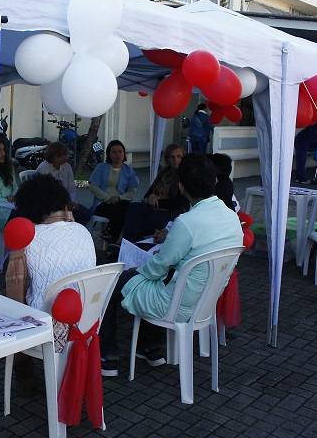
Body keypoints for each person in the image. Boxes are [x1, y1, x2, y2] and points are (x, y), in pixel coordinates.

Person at [99, 153, 243, 377]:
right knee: (155, 280)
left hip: (175, 304)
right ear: (215, 181)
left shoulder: (186, 223)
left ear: (181, 187)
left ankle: (108, 355)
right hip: (204, 301)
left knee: (108, 282)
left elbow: (158, 268)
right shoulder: (232, 217)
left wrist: (137, 270)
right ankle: (150, 347)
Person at [5, 175, 96, 391]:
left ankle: (24, 373)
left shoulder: (27, 239)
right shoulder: (84, 231)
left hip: (48, 330)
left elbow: (16, 301)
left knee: (7, 306)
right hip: (88, 322)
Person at [122, 144, 189, 244]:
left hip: (170, 211)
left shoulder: (184, 175)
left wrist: (158, 202)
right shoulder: (164, 173)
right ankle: (129, 243)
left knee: (142, 222)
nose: (176, 160)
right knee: (133, 208)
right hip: (153, 205)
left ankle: (129, 244)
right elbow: (149, 193)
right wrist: (151, 196)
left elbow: (178, 203)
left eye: (179, 156)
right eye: (172, 157)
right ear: (168, 159)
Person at [88, 140, 139, 243]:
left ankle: (110, 236)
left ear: (124, 153)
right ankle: (118, 240)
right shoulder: (101, 168)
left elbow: (132, 191)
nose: (117, 154)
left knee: (126, 207)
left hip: (120, 202)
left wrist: (119, 198)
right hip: (103, 204)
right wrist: (108, 198)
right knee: (126, 210)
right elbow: (93, 186)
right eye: (114, 152)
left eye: (120, 151)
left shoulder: (129, 171)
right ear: (109, 154)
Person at [36, 142, 91, 226]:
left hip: (65, 202)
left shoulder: (67, 167)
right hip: (49, 204)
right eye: (60, 156)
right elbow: (43, 192)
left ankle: (73, 232)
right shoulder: (44, 169)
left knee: (85, 214)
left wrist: (72, 201)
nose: (64, 157)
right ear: (51, 157)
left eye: (65, 154)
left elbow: (71, 187)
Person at [0, 133, 18, 232]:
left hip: (9, 205)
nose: (3, 154)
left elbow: (15, 187)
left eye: (4, 150)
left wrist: (13, 195)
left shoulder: (9, 167)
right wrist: (6, 201)